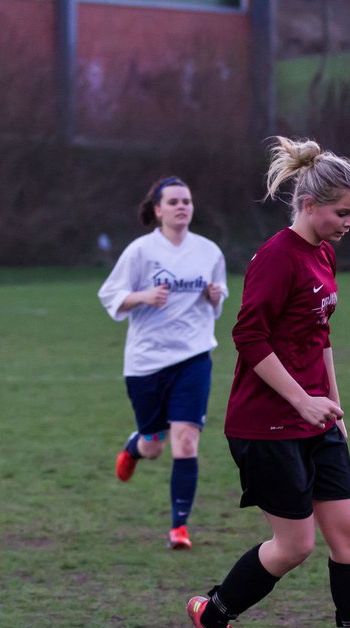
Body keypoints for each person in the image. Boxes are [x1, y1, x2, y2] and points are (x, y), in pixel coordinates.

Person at [184, 137, 350, 628]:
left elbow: (319, 334)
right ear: (310, 204)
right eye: (343, 212)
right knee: (294, 547)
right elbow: (248, 337)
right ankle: (212, 613)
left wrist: (333, 403)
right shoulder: (276, 256)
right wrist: (302, 401)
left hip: (317, 422)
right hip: (264, 426)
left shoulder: (324, 253)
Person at [98, 176, 228, 550]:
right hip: (147, 361)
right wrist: (143, 296)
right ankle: (135, 447)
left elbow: (217, 304)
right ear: (158, 210)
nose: (182, 206)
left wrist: (214, 294)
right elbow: (110, 296)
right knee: (155, 444)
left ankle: (179, 527)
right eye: (173, 202)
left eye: (186, 201)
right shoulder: (141, 251)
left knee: (185, 440)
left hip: (193, 356)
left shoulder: (209, 252)